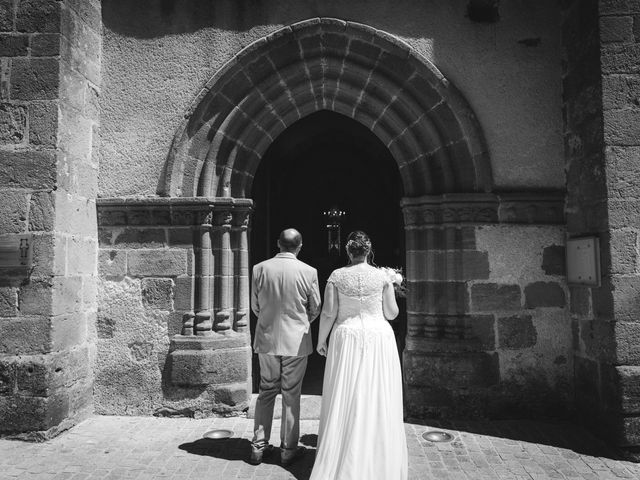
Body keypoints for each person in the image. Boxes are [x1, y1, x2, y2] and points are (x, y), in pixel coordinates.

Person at [310, 231, 408, 480]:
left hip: (347, 337)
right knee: (376, 392)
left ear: (348, 251)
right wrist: (392, 288)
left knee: (348, 391)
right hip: (378, 338)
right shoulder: (382, 277)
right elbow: (392, 313)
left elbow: (329, 313)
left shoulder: (337, 276)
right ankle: (378, 455)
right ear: (369, 250)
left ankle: (345, 452)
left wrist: (321, 340)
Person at [249, 228, 322, 466]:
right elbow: (315, 307)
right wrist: (300, 323)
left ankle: (259, 445)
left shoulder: (259, 268)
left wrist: (269, 321)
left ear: (278, 244)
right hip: (296, 341)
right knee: (291, 394)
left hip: (267, 338)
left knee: (266, 391)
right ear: (300, 247)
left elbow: (255, 306)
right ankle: (288, 449)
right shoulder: (309, 271)